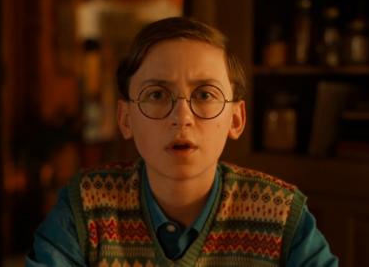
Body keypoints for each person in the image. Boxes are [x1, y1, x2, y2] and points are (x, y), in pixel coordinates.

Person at [26, 17, 338, 267]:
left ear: (236, 118)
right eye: (157, 95)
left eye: (204, 95)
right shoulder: (85, 208)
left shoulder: (280, 214)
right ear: (125, 118)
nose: (182, 117)